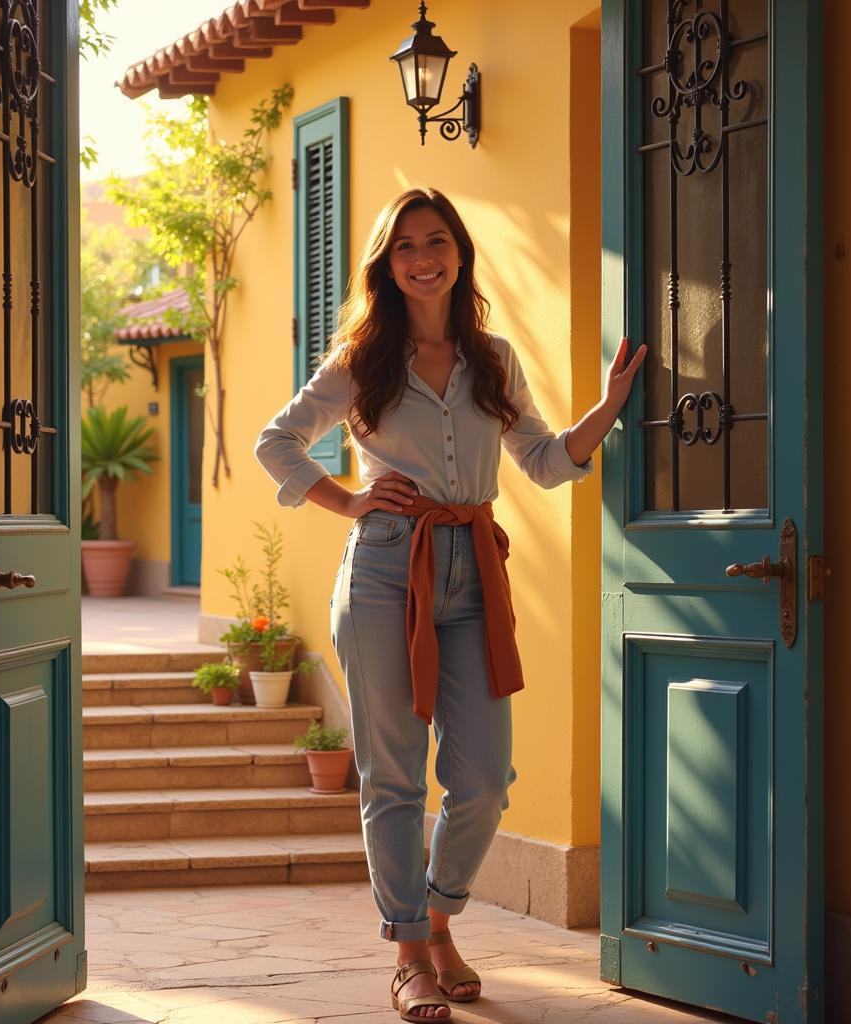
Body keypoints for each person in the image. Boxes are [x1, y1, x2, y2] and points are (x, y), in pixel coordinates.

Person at [254, 187, 645, 1022]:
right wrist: (348, 502)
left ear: (459, 254)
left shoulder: (493, 358)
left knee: (482, 780)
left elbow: (542, 460)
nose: (423, 257)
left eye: (437, 241)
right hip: (386, 574)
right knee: (393, 775)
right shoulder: (363, 360)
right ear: (386, 265)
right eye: (405, 247)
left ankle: (436, 924)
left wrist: (607, 409)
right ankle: (410, 956)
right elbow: (274, 441)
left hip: (474, 566)